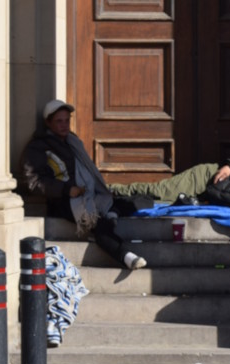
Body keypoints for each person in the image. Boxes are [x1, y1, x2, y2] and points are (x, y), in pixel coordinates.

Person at [20, 99, 148, 269]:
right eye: (59, 121)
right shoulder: (38, 147)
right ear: (48, 123)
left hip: (86, 194)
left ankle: (112, 214)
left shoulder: (72, 141)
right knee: (99, 223)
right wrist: (67, 190)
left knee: (135, 202)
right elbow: (33, 182)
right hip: (63, 201)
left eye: (67, 120)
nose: (64, 125)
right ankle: (126, 256)